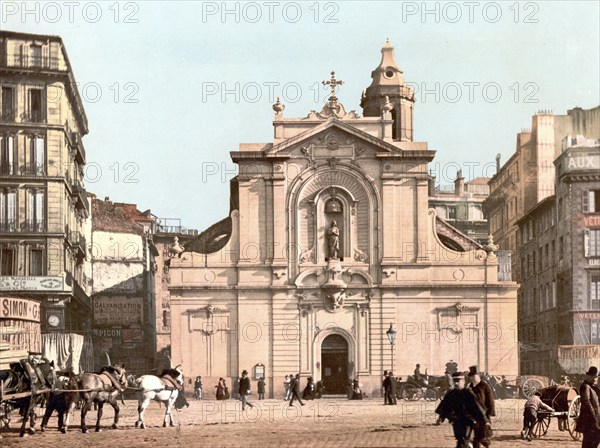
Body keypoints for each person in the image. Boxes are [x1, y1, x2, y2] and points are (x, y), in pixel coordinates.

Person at [436, 371, 489, 448]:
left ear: (463, 381)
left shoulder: (468, 393)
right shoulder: (451, 394)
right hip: (456, 421)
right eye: (455, 381)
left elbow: (476, 407)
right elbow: (445, 406)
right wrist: (441, 417)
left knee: (464, 440)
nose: (456, 383)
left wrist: (485, 420)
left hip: (468, 420)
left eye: (458, 381)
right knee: (460, 439)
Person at [468, 366, 495, 448]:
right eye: (471, 377)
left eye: (474, 376)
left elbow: (490, 400)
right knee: (475, 438)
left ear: (478, 375)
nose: (472, 378)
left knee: (484, 438)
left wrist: (489, 414)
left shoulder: (485, 386)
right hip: (473, 416)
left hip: (484, 415)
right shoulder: (470, 387)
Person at [575, 366, 600, 448]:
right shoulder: (585, 386)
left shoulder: (593, 387)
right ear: (588, 376)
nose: (595, 379)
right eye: (593, 376)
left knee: (594, 442)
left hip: (595, 420)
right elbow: (586, 402)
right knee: (588, 444)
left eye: (596, 377)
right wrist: (594, 418)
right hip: (590, 421)